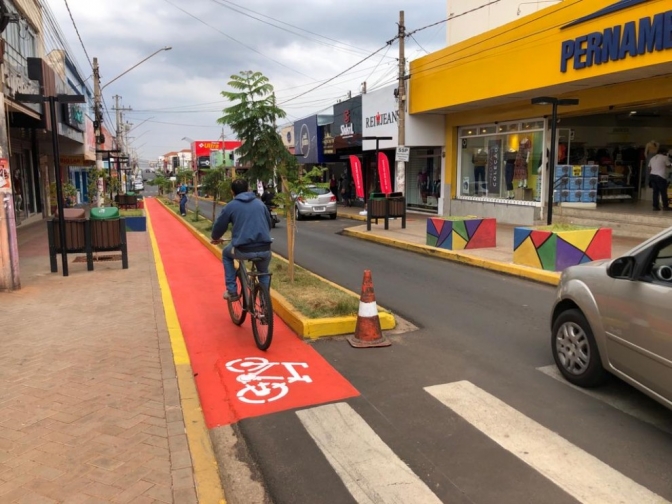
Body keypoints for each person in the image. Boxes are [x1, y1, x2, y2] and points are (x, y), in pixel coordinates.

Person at [211, 178, 273, 300]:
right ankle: (265, 303)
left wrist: (216, 237)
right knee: (263, 271)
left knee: (226, 254)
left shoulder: (231, 206)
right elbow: (269, 224)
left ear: (232, 192)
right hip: (265, 249)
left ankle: (232, 291)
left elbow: (219, 227)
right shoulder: (260, 204)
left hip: (243, 250)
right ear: (248, 189)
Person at [648, 146, 671, 211]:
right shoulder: (664, 157)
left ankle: (655, 206)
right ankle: (665, 206)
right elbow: (669, 165)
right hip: (660, 176)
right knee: (663, 192)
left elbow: (649, 168)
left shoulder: (652, 158)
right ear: (664, 152)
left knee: (655, 192)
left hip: (652, 176)